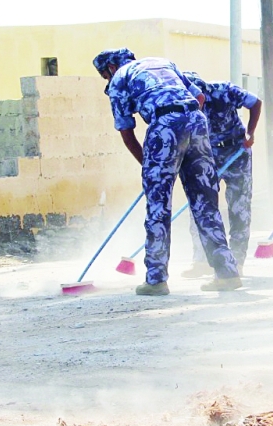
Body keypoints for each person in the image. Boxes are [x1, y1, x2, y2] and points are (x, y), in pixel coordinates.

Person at [93, 48, 241, 295]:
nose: (107, 80)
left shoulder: (119, 77)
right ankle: (227, 273)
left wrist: (151, 168)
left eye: (104, 76)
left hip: (164, 125)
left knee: (158, 206)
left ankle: (156, 279)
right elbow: (200, 97)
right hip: (196, 120)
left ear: (109, 68)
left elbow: (127, 133)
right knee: (205, 203)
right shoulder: (163, 62)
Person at [181, 72, 261, 277]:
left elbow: (255, 102)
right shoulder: (183, 104)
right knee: (199, 207)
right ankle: (201, 259)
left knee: (239, 208)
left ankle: (236, 261)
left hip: (237, 152)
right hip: (207, 155)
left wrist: (250, 133)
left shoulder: (223, 90)